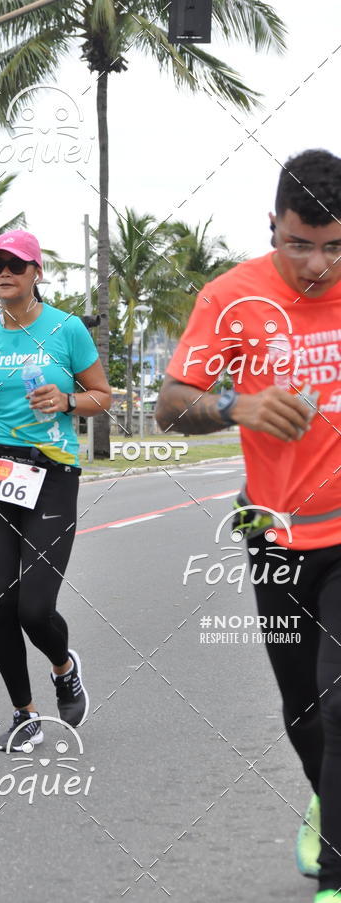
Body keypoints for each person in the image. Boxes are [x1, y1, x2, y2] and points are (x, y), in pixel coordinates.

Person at [156, 149, 341, 903]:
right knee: (302, 709)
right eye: (300, 243)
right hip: (274, 532)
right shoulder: (231, 299)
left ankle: (336, 870)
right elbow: (171, 405)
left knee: (340, 699)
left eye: (334, 246)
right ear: (273, 225)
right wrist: (239, 404)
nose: (317, 265)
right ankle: (326, 797)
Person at [0, 229, 112, 752]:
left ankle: (64, 668)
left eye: (15, 265)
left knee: (33, 609)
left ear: (36, 272)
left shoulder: (66, 329)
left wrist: (67, 401)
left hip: (52, 473)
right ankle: (26, 715)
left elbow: (102, 396)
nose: (3, 273)